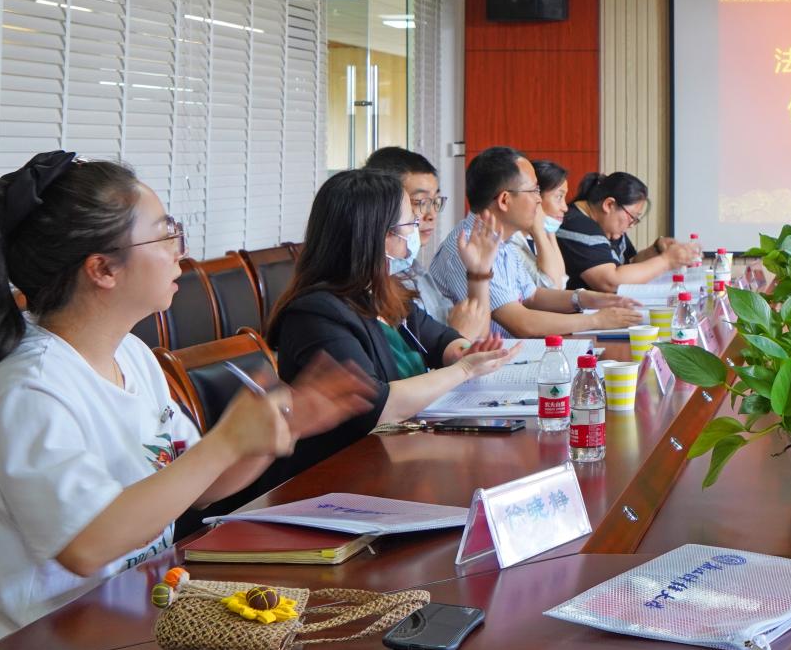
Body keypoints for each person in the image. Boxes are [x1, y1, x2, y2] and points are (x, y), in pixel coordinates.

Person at [0, 152, 371, 650]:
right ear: (102, 269)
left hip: (119, 646)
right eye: (165, 234)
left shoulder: (130, 355)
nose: (180, 253)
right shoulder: (27, 388)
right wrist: (224, 443)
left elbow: (190, 487)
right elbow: (86, 545)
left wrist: (273, 433)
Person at [239, 169, 526, 507]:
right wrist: (464, 370)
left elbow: (439, 339)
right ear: (376, 236)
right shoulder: (315, 314)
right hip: (337, 482)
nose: (415, 232)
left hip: (394, 460)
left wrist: (463, 350)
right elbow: (375, 405)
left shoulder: (382, 291)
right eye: (408, 225)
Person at [425, 148, 639, 336]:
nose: (539, 199)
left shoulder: (502, 241)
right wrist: (596, 320)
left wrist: (587, 299)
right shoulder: (467, 247)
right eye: (534, 191)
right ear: (505, 200)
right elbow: (522, 322)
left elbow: (532, 296)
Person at [364, 145, 499, 338]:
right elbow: (413, 357)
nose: (432, 214)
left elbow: (477, 332)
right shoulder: (370, 285)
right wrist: (459, 336)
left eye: (435, 201)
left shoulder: (416, 272)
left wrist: (479, 273)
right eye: (420, 202)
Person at [557, 170, 698, 292]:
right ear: (609, 205)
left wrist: (657, 250)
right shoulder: (575, 225)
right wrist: (666, 261)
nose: (631, 225)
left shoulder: (607, 224)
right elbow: (610, 282)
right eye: (632, 217)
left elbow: (630, 263)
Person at [521, 157, 571, 290]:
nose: (565, 208)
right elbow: (553, 286)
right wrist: (540, 231)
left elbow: (561, 282)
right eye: (559, 197)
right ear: (536, 198)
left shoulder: (539, 236)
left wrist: (550, 233)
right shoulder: (513, 240)